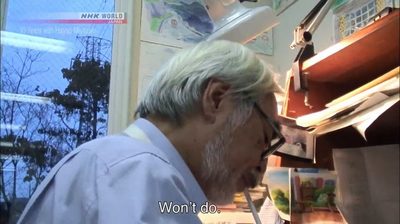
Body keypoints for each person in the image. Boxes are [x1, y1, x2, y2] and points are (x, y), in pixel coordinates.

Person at [17, 40, 284, 224]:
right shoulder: (137, 172)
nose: (262, 169)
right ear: (215, 99)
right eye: (263, 138)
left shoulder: (121, 161)